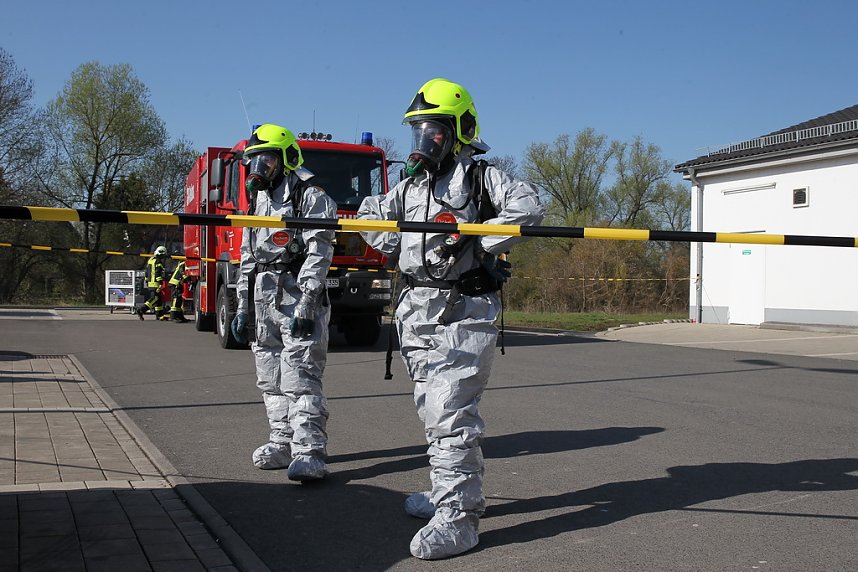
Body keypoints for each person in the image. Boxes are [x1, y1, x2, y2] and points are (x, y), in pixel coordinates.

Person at [357, 78, 545, 559]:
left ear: (459, 131)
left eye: (434, 131)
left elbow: (530, 207)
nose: (425, 141)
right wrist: (394, 241)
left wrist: (478, 237)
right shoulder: (410, 186)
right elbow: (369, 215)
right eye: (419, 131)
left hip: (464, 311)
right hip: (416, 309)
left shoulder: (482, 179)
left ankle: (459, 520)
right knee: (431, 409)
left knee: (450, 414)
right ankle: (451, 495)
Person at [230, 123, 337, 482]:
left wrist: (308, 299)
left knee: (301, 375)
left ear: (287, 159)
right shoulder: (257, 199)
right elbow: (247, 255)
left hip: (296, 295)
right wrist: (242, 304)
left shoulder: (310, 195)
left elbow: (320, 250)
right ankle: (281, 442)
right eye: (255, 161)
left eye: (268, 161)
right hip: (263, 294)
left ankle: (310, 452)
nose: (260, 168)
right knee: (270, 376)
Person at [137, 246, 170, 320]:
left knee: (158, 299)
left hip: (150, 283)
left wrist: (147, 281)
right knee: (154, 299)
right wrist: (160, 283)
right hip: (155, 284)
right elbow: (158, 273)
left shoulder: (150, 260)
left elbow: (146, 272)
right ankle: (141, 310)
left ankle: (159, 315)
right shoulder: (158, 262)